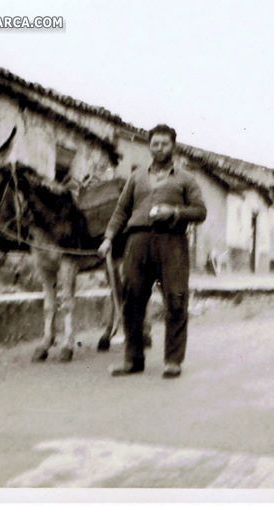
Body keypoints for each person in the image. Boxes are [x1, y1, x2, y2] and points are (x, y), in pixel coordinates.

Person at [98, 124, 207, 378]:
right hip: (137, 242)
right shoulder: (136, 178)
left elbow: (200, 211)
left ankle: (173, 360)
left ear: (174, 147)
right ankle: (132, 359)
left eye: (164, 144)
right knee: (132, 300)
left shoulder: (185, 179)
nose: (159, 148)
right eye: (155, 143)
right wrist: (108, 238)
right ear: (150, 146)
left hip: (172, 243)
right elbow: (121, 211)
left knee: (176, 299)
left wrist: (175, 212)